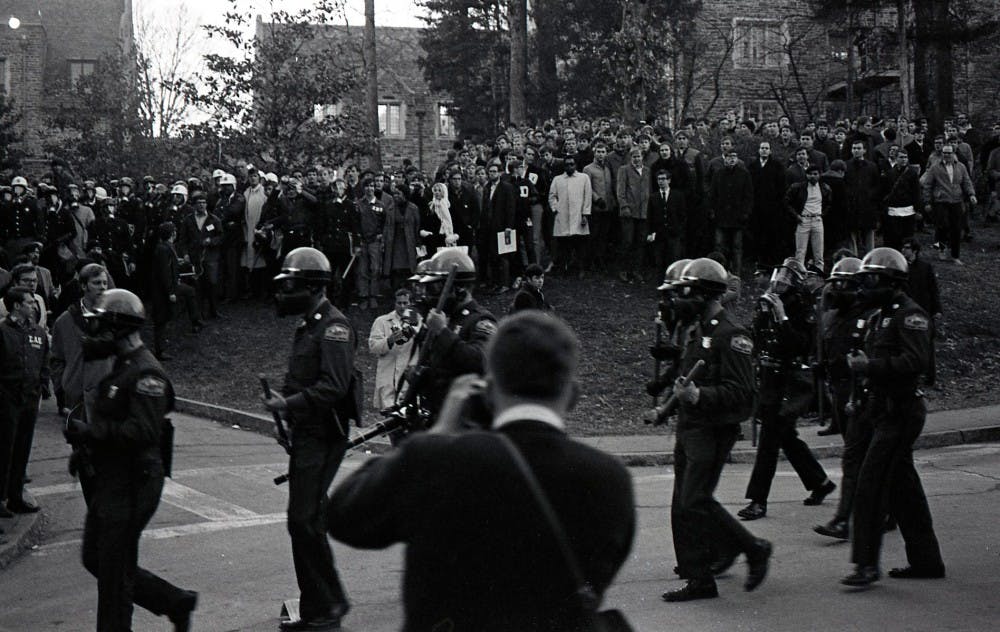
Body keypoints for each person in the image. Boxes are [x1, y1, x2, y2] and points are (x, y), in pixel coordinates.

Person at [326, 311, 636, 630]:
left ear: (488, 391)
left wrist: (438, 433)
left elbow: (344, 516)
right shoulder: (610, 479)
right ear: (572, 395)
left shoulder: (438, 460)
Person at [62, 289, 198, 631]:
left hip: (134, 482)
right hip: (113, 480)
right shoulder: (122, 366)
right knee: (97, 557)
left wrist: (91, 433)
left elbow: (143, 432)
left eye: (100, 327)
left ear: (120, 329)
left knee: (114, 571)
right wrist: (85, 450)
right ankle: (173, 601)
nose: (92, 336)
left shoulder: (145, 374)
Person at [659, 258, 773, 602]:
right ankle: (698, 574)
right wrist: (666, 408)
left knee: (694, 499)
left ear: (705, 294)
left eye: (685, 292)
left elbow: (743, 394)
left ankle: (752, 548)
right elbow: (686, 382)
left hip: (713, 430)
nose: (678, 299)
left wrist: (699, 395)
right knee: (684, 503)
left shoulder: (731, 335)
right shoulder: (697, 332)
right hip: (691, 428)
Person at [261, 247, 356, 631]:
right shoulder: (308, 326)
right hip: (307, 433)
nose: (284, 293)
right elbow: (299, 378)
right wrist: (283, 411)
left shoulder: (335, 327)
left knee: (303, 519)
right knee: (305, 520)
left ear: (314, 287)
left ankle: (328, 605)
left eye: (293, 286)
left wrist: (290, 404)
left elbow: (333, 387)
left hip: (324, 434)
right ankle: (320, 608)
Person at [841, 248, 945, 587]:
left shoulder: (911, 316)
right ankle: (927, 560)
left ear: (891, 282)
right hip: (883, 409)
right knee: (904, 489)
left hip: (901, 411)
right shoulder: (880, 316)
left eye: (871, 280)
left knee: (870, 486)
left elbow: (916, 363)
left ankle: (866, 565)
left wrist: (869, 366)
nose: (864, 288)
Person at [739, 258, 836, 521]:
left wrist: (782, 315)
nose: (780, 281)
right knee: (786, 438)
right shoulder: (767, 302)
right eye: (779, 275)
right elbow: (757, 338)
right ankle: (820, 482)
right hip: (770, 377)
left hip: (790, 380)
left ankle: (758, 500)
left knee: (770, 441)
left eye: (786, 277)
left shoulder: (801, 308)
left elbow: (798, 345)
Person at [813, 258, 874, 539]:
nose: (836, 289)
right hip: (838, 389)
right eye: (834, 284)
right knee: (864, 458)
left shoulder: (868, 316)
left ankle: (843, 520)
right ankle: (888, 512)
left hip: (859, 393)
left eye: (843, 285)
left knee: (854, 459)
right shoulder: (834, 315)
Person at [410, 248, 497, 419]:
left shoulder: (480, 321)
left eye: (436, 288)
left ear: (460, 289)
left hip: (467, 418)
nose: (430, 295)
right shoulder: (446, 318)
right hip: (438, 414)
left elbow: (480, 362)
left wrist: (442, 332)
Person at [0, 287, 49, 519]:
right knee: (4, 450)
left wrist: (42, 386)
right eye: (29, 302)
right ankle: (0, 499)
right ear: (17, 306)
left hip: (29, 399)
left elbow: (43, 363)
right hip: (6, 400)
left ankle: (16, 495)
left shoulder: (37, 332)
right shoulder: (2, 331)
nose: (34, 306)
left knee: (22, 448)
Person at [50, 263, 116, 422]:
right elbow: (56, 358)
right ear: (83, 285)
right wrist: (64, 387)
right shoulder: (65, 320)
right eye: (97, 283)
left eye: (105, 283)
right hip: (77, 397)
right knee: (80, 443)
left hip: (108, 395)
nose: (102, 287)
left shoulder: (115, 318)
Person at [150, 222, 202, 360]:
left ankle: (194, 320)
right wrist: (170, 292)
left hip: (168, 287)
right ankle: (159, 351)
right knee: (161, 319)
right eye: (174, 231)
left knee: (189, 292)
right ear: (171, 233)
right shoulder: (164, 249)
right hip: (163, 290)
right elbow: (165, 272)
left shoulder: (166, 247)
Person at [920, 143, 976, 265]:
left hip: (956, 200)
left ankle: (955, 255)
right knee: (942, 226)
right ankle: (941, 248)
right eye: (944, 153)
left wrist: (971, 194)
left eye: (949, 153)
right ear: (942, 154)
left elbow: (967, 181)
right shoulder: (935, 167)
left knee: (956, 228)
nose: (947, 155)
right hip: (941, 201)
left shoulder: (960, 167)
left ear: (953, 153)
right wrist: (927, 202)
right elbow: (927, 185)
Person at [369, 288, 421, 410]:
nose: (402, 306)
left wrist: (415, 331)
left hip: (408, 378)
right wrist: (390, 340)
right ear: (394, 303)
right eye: (399, 303)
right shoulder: (382, 321)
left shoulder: (419, 321)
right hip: (388, 376)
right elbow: (373, 347)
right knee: (387, 418)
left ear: (410, 303)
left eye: (405, 303)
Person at [901, 238, 941, 387]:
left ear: (914, 251)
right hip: (906, 312)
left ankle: (930, 377)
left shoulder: (925, 267)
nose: (903, 251)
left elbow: (933, 289)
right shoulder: (901, 268)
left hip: (924, 310)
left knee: (928, 345)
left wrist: (937, 309)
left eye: (906, 248)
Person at [548, 157, 592, 276]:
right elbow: (552, 196)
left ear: (576, 165)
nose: (569, 167)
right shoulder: (558, 179)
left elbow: (587, 197)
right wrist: (556, 208)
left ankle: (581, 268)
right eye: (567, 165)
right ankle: (564, 268)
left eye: (572, 164)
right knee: (563, 244)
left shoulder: (584, 178)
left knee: (580, 244)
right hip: (563, 216)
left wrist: (585, 214)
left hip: (578, 216)